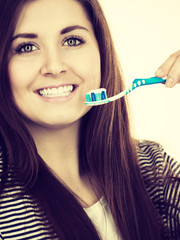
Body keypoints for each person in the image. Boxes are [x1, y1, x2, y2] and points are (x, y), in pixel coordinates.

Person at [0, 0, 179, 239]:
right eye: (26, 47)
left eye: (72, 40)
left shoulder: (152, 164)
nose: (54, 67)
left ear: (101, 52)